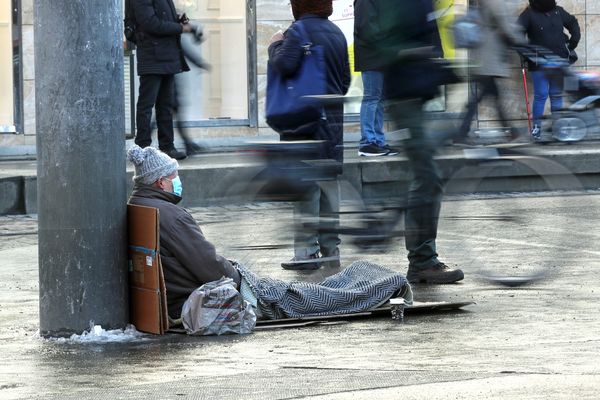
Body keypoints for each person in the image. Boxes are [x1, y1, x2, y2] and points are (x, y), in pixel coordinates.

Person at [127, 145, 412, 320]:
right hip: (220, 290)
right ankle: (383, 283)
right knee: (303, 297)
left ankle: (363, 277)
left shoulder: (141, 206)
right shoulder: (171, 216)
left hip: (192, 292)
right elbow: (210, 266)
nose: (178, 180)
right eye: (174, 175)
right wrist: (240, 276)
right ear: (162, 182)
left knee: (308, 290)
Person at [373, 0, 464, 284]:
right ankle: (423, 262)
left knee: (424, 175)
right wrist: (415, 54)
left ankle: (423, 256)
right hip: (404, 96)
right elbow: (383, 42)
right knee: (427, 177)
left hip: (415, 93)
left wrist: (441, 65)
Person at [268, 0, 351, 271]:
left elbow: (284, 65)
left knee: (306, 185)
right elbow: (346, 81)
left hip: (304, 121)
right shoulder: (337, 33)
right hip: (332, 121)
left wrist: (274, 45)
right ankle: (331, 250)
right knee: (329, 184)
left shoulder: (298, 31)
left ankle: (306, 253)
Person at [131, 0, 195, 160]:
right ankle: (142, 147)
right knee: (146, 105)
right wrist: (181, 28)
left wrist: (177, 19)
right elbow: (151, 24)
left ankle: (167, 146)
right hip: (152, 57)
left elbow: (160, 18)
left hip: (168, 57)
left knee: (165, 105)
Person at [458, 0, 526, 141]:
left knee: (488, 96)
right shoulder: (495, 1)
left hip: (484, 56)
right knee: (487, 96)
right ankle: (461, 133)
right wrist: (520, 39)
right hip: (488, 56)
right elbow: (505, 25)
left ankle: (462, 132)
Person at [518, 0, 580, 140]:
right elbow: (517, 33)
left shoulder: (558, 11)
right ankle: (537, 127)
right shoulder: (529, 14)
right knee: (541, 95)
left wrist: (573, 42)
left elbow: (573, 22)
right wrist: (525, 53)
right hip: (538, 61)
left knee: (555, 95)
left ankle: (557, 127)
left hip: (558, 60)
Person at [353, 0, 399, 157]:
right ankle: (367, 142)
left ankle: (378, 141)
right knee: (372, 98)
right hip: (371, 56)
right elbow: (366, 27)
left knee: (378, 99)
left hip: (379, 56)